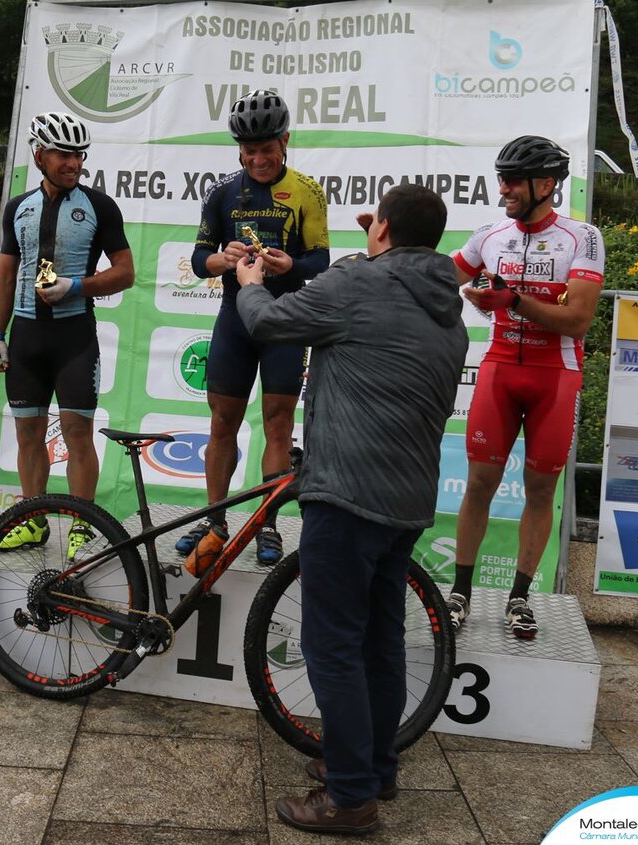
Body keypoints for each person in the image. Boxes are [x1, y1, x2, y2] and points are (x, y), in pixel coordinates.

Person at [236, 184, 468, 835]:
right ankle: (373, 766)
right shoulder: (451, 313)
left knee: (333, 646)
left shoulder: (357, 283)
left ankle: (349, 798)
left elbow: (266, 323)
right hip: (407, 502)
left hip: (346, 492)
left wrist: (252, 278)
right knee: (379, 640)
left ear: (384, 228)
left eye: (375, 225)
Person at [446, 135, 605, 639]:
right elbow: (440, 275)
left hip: (554, 375)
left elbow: (577, 320)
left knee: (539, 492)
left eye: (513, 180)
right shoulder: (490, 233)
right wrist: (386, 255)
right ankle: (460, 593)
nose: (504, 188)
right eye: (502, 178)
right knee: (478, 485)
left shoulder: (583, 238)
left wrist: (511, 301)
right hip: (500, 369)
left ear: (546, 184)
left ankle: (519, 597)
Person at [174, 89, 330, 565]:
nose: (260, 159)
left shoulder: (308, 191)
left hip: (285, 323)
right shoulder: (221, 194)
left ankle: (267, 525)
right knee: (222, 422)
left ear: (285, 141)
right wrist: (222, 259)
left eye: (268, 149)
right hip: (235, 321)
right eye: (250, 151)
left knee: (278, 425)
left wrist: (289, 267)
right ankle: (215, 519)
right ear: (239, 149)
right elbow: (201, 259)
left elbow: (320, 259)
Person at [0, 111, 134, 556]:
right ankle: (32, 521)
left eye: (78, 155)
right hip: (28, 338)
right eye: (63, 154)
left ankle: (82, 527)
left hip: (74, 338)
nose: (73, 163)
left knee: (77, 434)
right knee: (28, 435)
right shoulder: (19, 208)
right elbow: (5, 276)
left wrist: (77, 286)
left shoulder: (99, 206)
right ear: (39, 154)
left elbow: (126, 273)